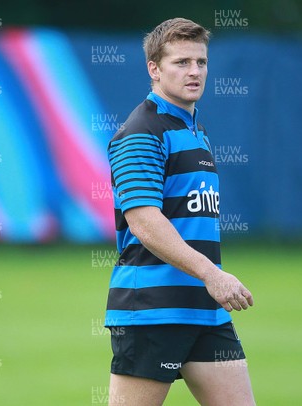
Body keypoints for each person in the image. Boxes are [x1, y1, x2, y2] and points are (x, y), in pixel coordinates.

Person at [105, 17, 256, 405]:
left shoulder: (195, 130)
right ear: (154, 69)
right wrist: (212, 274)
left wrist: (210, 283)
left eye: (201, 62)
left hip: (205, 310)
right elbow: (144, 221)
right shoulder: (142, 131)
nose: (195, 71)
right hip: (153, 311)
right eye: (181, 62)